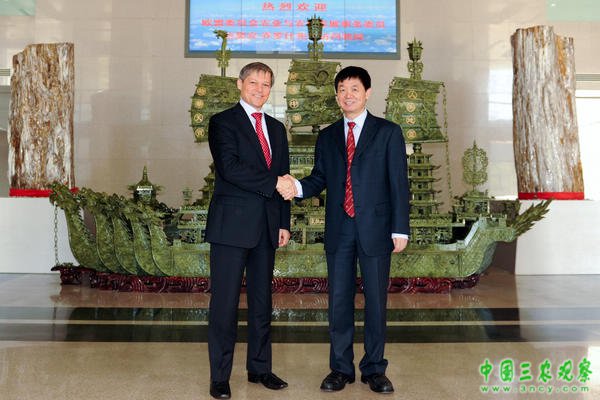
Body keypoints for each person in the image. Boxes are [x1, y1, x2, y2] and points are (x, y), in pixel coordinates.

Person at [280, 66, 410, 394]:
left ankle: (374, 369)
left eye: (354, 89)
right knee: (339, 300)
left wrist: (400, 228)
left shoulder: (388, 132)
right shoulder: (327, 136)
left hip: (377, 228)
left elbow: (398, 183)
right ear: (336, 95)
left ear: (367, 93)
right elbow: (319, 178)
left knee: (376, 301)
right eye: (342, 89)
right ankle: (340, 368)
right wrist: (296, 187)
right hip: (340, 228)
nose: (347, 95)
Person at [206, 62, 293, 399]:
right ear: (240, 84)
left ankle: (260, 368)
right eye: (253, 82)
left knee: (261, 303)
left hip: (267, 228)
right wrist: (273, 183)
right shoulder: (222, 122)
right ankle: (220, 376)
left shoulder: (277, 128)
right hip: (231, 227)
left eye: (266, 84)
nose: (259, 89)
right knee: (224, 305)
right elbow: (230, 168)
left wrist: (283, 222)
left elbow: (284, 175)